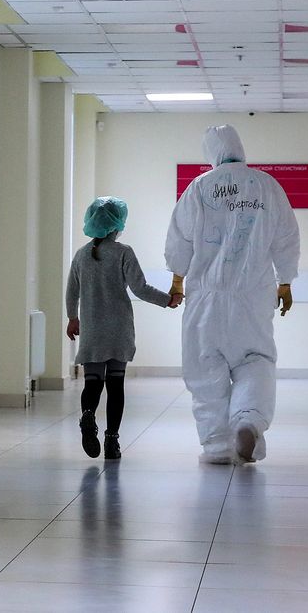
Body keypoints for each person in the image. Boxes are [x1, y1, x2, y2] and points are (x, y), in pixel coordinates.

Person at [165, 125, 301, 464]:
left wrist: (177, 281)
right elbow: (286, 237)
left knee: (205, 368)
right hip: (253, 296)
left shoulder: (199, 187)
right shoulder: (267, 186)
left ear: (211, 152)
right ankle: (248, 420)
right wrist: (285, 281)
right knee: (255, 362)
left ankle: (216, 446)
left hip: (206, 298)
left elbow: (179, 239)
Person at [66, 196, 181, 460]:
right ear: (116, 225)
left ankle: (87, 415)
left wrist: (72, 318)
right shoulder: (123, 252)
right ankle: (112, 441)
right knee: (116, 386)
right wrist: (168, 300)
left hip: (92, 329)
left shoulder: (81, 255)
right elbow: (140, 288)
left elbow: (72, 291)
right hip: (118, 330)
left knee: (93, 383)